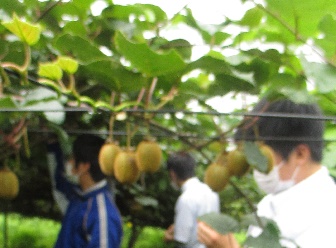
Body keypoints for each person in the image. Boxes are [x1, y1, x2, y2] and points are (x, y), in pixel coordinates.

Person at [197, 98, 336, 248]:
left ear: (300, 154)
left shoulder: (329, 215)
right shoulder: (267, 204)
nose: (254, 168)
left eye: (260, 158)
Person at [47, 134, 123, 248]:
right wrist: (52, 144)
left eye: (72, 158)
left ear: (84, 166)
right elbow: (59, 181)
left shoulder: (103, 215)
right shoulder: (78, 196)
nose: (69, 163)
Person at [164, 151, 220, 248]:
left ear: (173, 174)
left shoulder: (185, 199)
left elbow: (181, 239)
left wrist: (168, 237)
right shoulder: (212, 193)